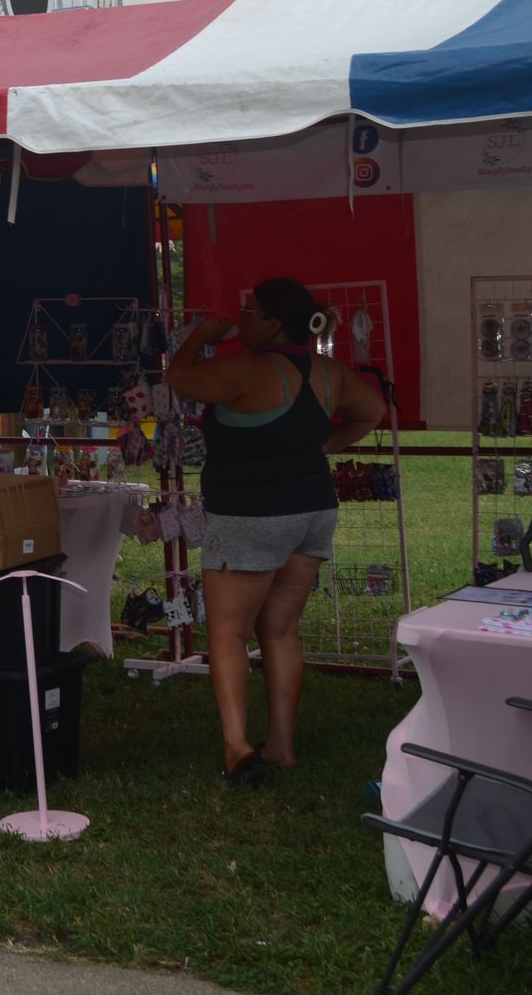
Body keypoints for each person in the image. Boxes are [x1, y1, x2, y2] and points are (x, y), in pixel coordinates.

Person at [165, 278, 388, 785]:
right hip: (311, 511)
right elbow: (373, 411)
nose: (241, 319)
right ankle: (283, 745)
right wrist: (322, 448)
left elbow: (180, 379)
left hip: (250, 515)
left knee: (228, 632)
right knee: (281, 631)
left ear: (272, 323)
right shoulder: (330, 373)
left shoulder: (247, 369)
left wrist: (201, 336)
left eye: (248, 311)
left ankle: (237, 746)